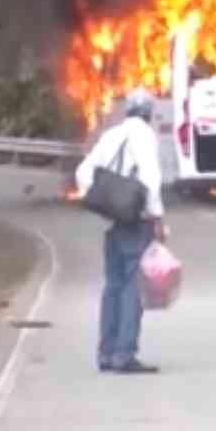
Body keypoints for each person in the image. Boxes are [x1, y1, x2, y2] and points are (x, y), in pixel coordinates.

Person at [74, 88, 167, 374]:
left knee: (112, 286)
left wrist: (105, 200)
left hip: (115, 222)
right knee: (132, 287)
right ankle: (124, 355)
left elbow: (83, 173)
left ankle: (106, 353)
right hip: (136, 222)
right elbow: (150, 177)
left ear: (127, 111)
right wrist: (157, 216)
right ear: (149, 114)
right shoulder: (145, 136)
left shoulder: (111, 134)